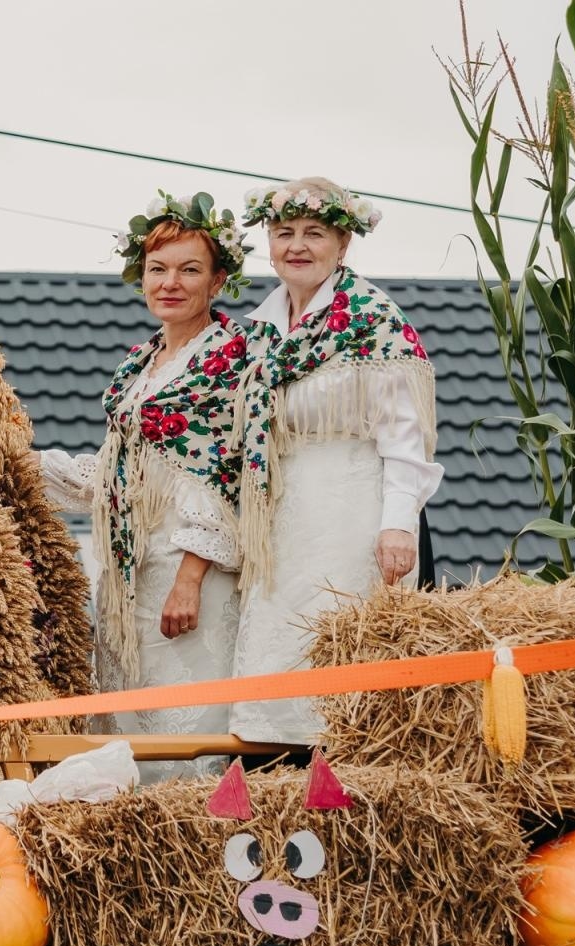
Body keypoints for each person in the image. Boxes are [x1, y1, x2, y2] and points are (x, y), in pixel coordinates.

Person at [40, 192, 252, 779]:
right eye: (158, 270)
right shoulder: (139, 364)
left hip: (191, 568)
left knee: (186, 717)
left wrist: (189, 579)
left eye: (190, 270)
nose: (171, 283)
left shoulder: (231, 357)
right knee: (132, 713)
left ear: (218, 281)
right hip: (130, 566)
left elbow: (226, 470)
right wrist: (27, 464)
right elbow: (117, 471)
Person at [228, 177, 442, 747]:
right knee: (277, 652)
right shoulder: (259, 331)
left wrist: (398, 525)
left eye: (313, 233)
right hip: (279, 514)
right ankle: (275, 779)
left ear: (343, 244)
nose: (296, 246)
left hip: (351, 513)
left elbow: (405, 436)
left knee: (335, 646)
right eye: (284, 232)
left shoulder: (373, 321)